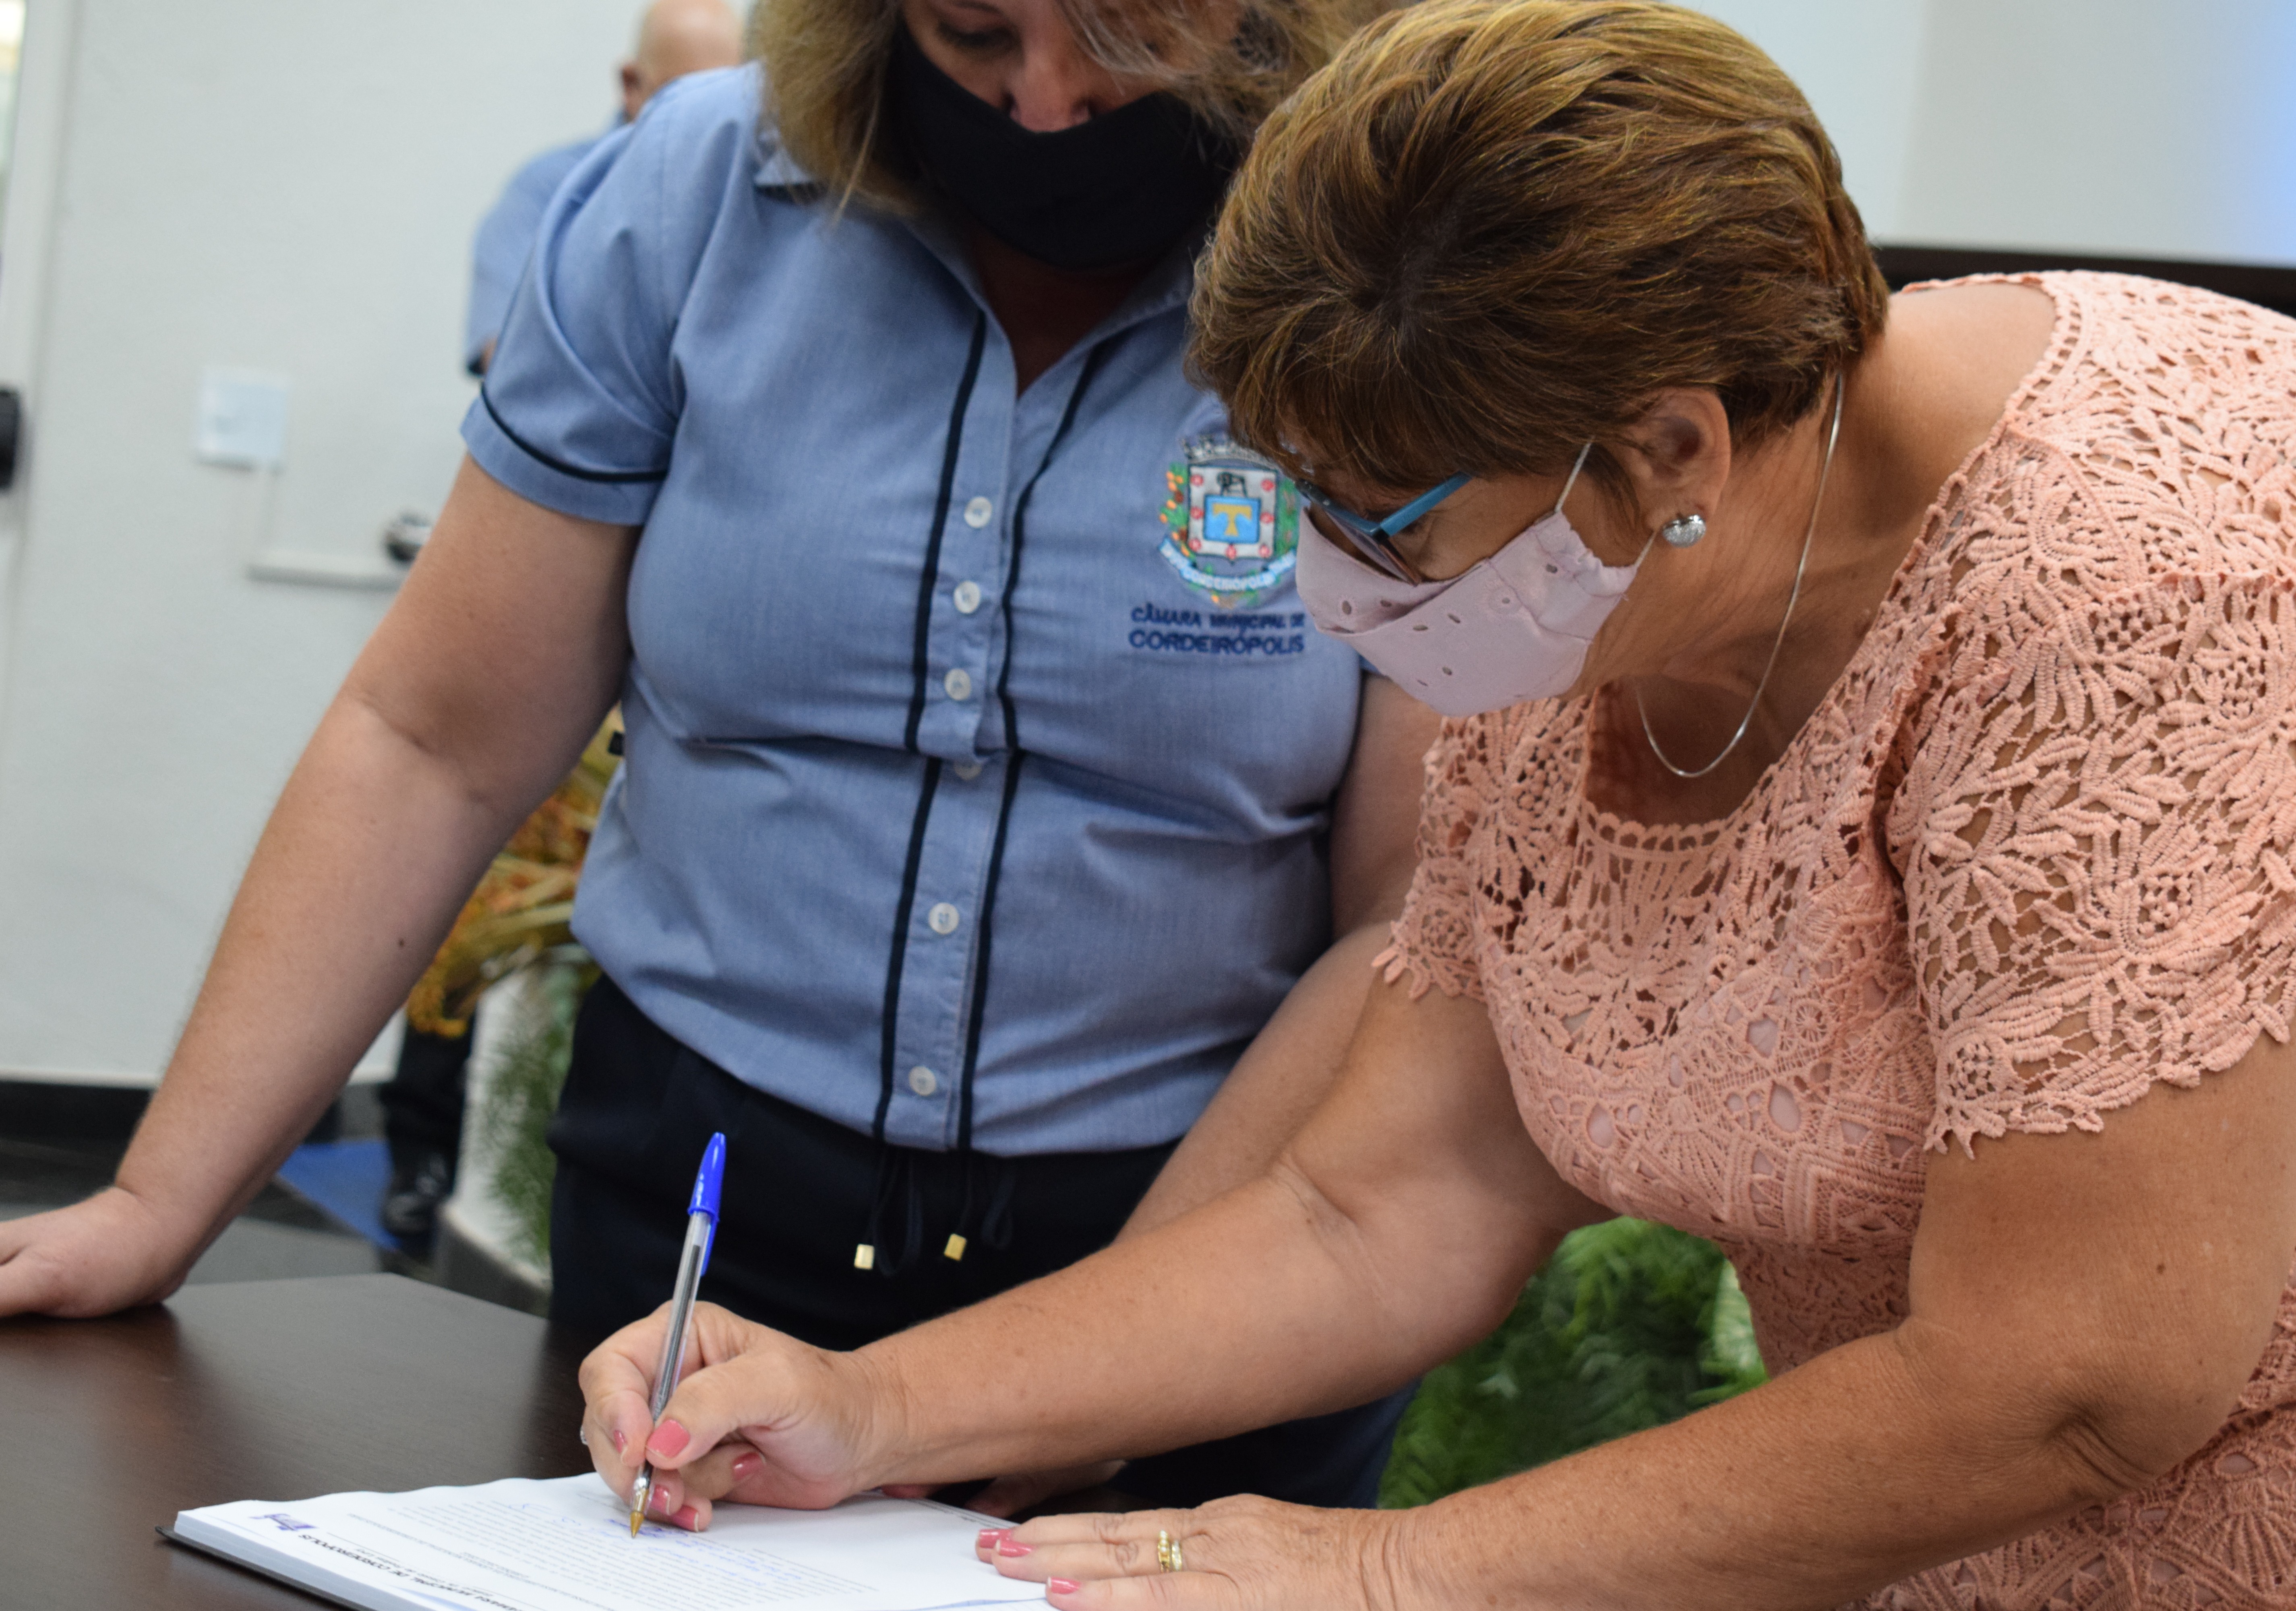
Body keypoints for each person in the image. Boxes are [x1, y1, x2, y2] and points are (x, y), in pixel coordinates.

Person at [568, 3, 2296, 1605]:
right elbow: (1385, 1201)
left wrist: (1386, 1570)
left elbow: (2073, 1376)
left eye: (1381, 521)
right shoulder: (1607, 588)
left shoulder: (2158, 599)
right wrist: (872, 1404)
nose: (1330, 588)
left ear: (1669, 447)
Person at [0, 0, 1429, 1516]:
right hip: (705, 1236)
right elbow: (432, 741)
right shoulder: (697, 197)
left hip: (1205, 1248)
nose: (1045, 100)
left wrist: (1085, 1372)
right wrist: (156, 1203)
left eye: (1128, 41)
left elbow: (1414, 917)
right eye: (972, 31)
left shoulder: (1390, 253)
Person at [387, 0, 743, 1241]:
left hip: (676, 628)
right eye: (679, 97)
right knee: (479, 887)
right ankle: (416, 1150)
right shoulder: (564, 196)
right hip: (564, 596)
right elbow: (525, 372)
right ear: (628, 85)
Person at [461, 0, 744, 376]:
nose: (702, 126)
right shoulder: (547, 193)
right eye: (680, 99)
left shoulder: (755, 200)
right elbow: (506, 362)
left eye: (723, 104)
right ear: (631, 84)